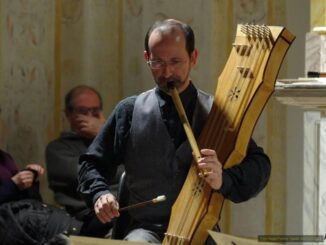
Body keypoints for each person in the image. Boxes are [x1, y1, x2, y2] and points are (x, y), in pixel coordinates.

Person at [77, 19, 271, 244]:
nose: (167, 72)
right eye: (158, 62)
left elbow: (260, 165)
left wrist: (223, 179)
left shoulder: (217, 115)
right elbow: (90, 164)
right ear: (146, 58)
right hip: (145, 230)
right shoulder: (129, 111)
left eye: (176, 61)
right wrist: (101, 194)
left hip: (198, 230)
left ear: (193, 58)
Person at [46, 85, 121, 237]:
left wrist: (106, 133)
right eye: (82, 111)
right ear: (68, 113)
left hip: (126, 210)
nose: (89, 116)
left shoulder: (114, 141)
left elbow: (134, 171)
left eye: (95, 111)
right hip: (89, 219)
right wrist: (102, 134)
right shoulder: (58, 148)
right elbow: (88, 176)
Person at [0, 148, 82, 245]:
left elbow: (24, 200)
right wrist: (13, 185)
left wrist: (29, 178)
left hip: (23, 217)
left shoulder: (5, 158)